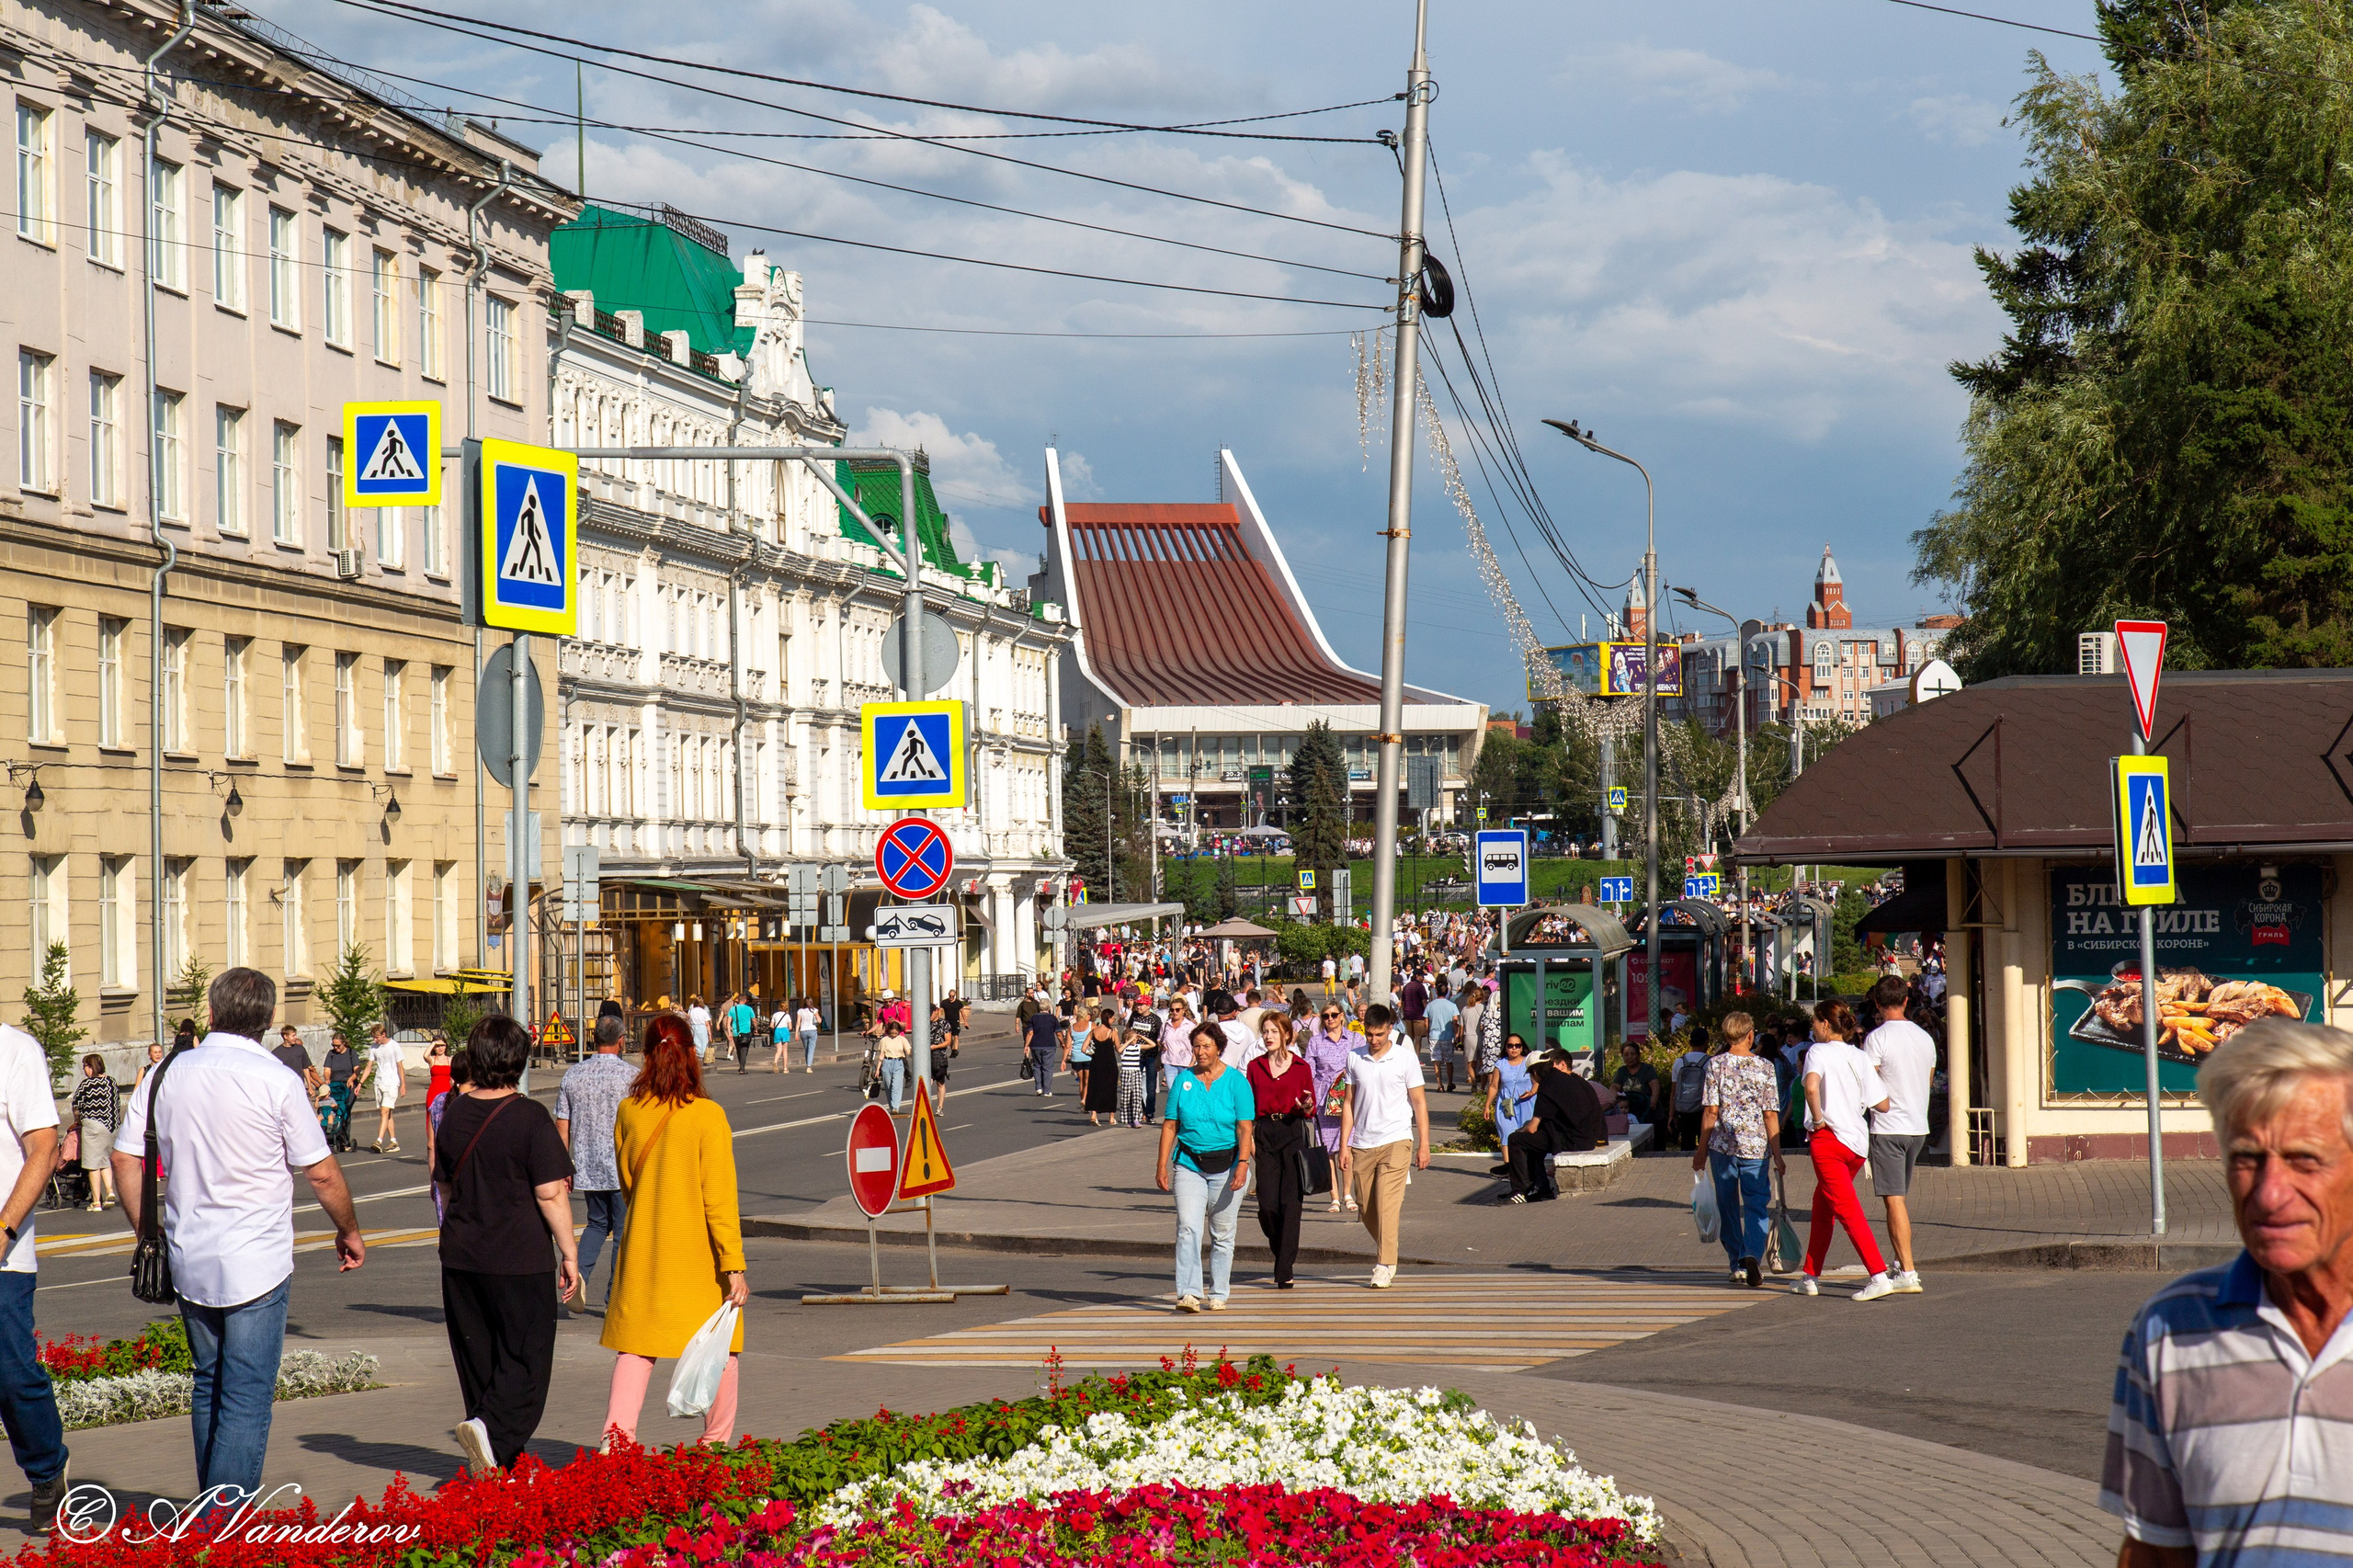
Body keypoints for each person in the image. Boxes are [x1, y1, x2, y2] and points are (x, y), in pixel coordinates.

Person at [2100, 1019, 2353, 1567]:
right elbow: (2156, 1553)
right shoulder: (2170, 1329)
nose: (2269, 1194)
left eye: (2305, 1159)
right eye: (2247, 1158)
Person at [111, 968, 366, 1502]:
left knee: (209, 1382)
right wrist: (348, 1230)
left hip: (188, 1255)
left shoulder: (165, 1074)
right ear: (269, 1019)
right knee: (246, 1395)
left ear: (210, 1013)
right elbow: (321, 1172)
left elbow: (124, 1158)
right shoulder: (276, 1078)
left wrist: (147, 1234)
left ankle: (209, 1512)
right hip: (257, 1260)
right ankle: (220, 1525)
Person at [436, 1017, 578, 1477]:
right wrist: (569, 1253)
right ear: (520, 1060)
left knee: (479, 1360)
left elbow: (445, 1187)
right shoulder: (530, 1116)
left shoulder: (455, 1112)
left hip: (461, 1258)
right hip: (519, 1259)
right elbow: (550, 1193)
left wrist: (461, 1227)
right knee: (526, 1361)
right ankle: (490, 1433)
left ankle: (499, 1467)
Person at [601, 1014, 748, 1448]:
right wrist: (733, 1265)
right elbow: (719, 1199)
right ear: (691, 1055)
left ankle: (615, 1446)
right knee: (721, 1347)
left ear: (646, 1056)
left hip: (644, 1248)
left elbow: (627, 1181)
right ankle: (714, 1449)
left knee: (635, 1347)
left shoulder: (629, 1111)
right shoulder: (707, 1115)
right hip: (698, 1258)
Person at [0, 1018, 69, 1524]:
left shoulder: (15, 1051)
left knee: (11, 1375)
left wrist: (5, 1228)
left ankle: (46, 1470)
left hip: (4, 1252)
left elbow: (43, 1148)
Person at [1796, 999, 1899, 1301]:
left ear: (1825, 1024)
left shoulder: (1818, 1051)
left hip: (1828, 1139)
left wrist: (1818, 1119)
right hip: (1856, 1143)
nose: (1813, 1028)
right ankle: (1810, 1275)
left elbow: (1811, 1087)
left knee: (1846, 1209)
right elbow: (1883, 1104)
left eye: (1815, 1022)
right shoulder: (1860, 1055)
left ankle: (1878, 1275)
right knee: (1823, 1206)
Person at [1154, 1024, 1256, 1312]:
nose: (1200, 1052)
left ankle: (1219, 1292)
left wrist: (1243, 1165)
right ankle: (1189, 1293)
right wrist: (1161, 1165)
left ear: (1219, 1048)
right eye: (1196, 1046)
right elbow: (1170, 1125)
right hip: (1189, 1164)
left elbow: (1245, 1128)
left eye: (1206, 1046)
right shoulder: (1184, 1080)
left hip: (1229, 1165)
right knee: (1188, 1227)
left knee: (1222, 1233)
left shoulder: (1236, 1082)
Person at [1337, 1005, 1430, 1289]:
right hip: (1363, 1143)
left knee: (1387, 1205)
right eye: (1369, 1034)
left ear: (1390, 1029)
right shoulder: (1355, 1057)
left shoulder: (1405, 1058)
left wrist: (1424, 1144)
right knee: (1366, 1207)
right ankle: (1389, 1243)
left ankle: (1383, 1265)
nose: (1374, 1040)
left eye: (1379, 1034)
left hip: (1397, 1140)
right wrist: (1344, 1145)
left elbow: (1419, 1102)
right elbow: (1349, 1103)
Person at [1693, 1012, 1783, 1288]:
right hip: (1756, 1147)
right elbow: (1770, 1114)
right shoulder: (1765, 1067)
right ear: (1750, 1035)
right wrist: (1778, 1154)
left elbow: (1711, 1111)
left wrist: (1701, 1150)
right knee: (1756, 1203)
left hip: (1722, 1146)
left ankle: (1737, 1263)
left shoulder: (1715, 1064)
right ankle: (1752, 1253)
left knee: (1728, 1204)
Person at [557, 1015, 637, 1309]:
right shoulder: (632, 1077)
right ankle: (614, 1295)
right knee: (623, 1231)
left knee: (596, 1224)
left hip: (587, 1166)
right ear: (621, 1041)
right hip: (621, 1167)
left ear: (594, 1040)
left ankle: (579, 1274)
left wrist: (563, 1166)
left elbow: (562, 1125)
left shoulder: (573, 1075)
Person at [1861, 975, 1935, 1294]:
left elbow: (1868, 1083)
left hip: (1888, 1127)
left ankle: (1908, 1271)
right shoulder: (1924, 1038)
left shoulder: (1876, 1039)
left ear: (1877, 1003)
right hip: (1917, 1126)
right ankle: (1899, 1263)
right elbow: (1928, 1080)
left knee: (1894, 1202)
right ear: (1906, 1000)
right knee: (1898, 1199)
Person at [1246, 1012, 1315, 1289]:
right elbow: (1247, 1109)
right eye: (1265, 1031)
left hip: (1292, 1131)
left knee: (1291, 1203)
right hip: (1265, 1133)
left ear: (1287, 1034)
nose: (1268, 1036)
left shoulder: (1301, 1066)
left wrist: (1307, 1106)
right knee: (1267, 1205)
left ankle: (1284, 1267)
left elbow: (1310, 1108)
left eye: (1274, 1031)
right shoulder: (1255, 1067)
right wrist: (1249, 1143)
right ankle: (1282, 1253)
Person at [1502, 1051, 1606, 1204]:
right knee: (1535, 1140)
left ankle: (1520, 1191)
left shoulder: (1546, 1086)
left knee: (1516, 1139)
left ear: (1535, 1072)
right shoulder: (1566, 1078)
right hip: (1586, 1136)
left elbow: (1532, 1127)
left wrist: (1520, 1130)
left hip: (1573, 1140)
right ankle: (1542, 1190)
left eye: (1530, 1074)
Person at [425, 1051, 471, 1225]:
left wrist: (433, 1180)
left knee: (447, 1228)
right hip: (469, 1178)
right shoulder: (475, 1102)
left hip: (442, 1177)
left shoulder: (438, 1101)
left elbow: (431, 1145)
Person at [71, 1055, 119, 1211]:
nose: (84, 1070)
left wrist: (77, 1120)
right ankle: (110, 1190)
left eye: (85, 1066)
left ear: (91, 1066)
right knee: (105, 1160)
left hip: (93, 1125)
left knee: (93, 1164)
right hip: (111, 1127)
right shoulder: (111, 1081)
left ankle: (96, 1202)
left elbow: (76, 1105)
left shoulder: (86, 1084)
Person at [1486, 1034, 1538, 1157]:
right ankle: (1507, 1164)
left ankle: (1526, 1163)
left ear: (1522, 1047)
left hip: (1526, 1103)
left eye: (1517, 1045)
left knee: (1527, 1134)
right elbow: (1494, 1086)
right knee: (1506, 1133)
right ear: (1506, 1048)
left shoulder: (1528, 1062)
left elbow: (1536, 1082)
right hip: (1506, 1105)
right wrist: (1487, 1105)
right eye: (1510, 1046)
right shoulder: (1500, 1064)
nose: (1514, 1048)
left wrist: (1532, 1092)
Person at [361, 1022, 405, 1154]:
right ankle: (393, 1142)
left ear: (384, 1034)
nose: (375, 1040)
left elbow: (400, 1066)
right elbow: (369, 1066)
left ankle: (379, 1141)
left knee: (384, 1112)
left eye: (377, 1037)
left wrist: (403, 1085)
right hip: (379, 1082)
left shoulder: (394, 1046)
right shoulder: (374, 1048)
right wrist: (360, 1083)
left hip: (391, 1083)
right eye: (374, 1037)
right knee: (388, 1113)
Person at [1668, 1030, 1711, 1152]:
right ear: (1707, 1043)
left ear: (1690, 1043)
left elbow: (1674, 1091)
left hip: (1684, 1109)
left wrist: (1671, 1116)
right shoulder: (1711, 1062)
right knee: (1705, 1144)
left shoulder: (1679, 1062)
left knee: (1686, 1145)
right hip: (1703, 1109)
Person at [1610, 1041, 1661, 1137]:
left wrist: (1654, 1097)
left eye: (1633, 1054)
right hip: (1630, 1113)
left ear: (1638, 1054)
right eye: (1626, 1055)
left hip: (1648, 1111)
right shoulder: (1621, 1071)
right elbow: (1614, 1087)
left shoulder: (1647, 1069)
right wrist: (1614, 1097)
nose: (1629, 1057)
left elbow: (1655, 1084)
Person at [1113, 1008, 1151, 1129]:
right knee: (1126, 1097)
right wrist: (1129, 1040)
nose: (1136, 1040)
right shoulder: (1124, 1048)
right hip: (1126, 1073)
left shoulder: (1137, 1047)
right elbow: (1119, 1049)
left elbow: (1152, 1045)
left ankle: (1136, 1118)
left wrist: (1141, 1036)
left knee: (1136, 1096)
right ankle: (1127, 1119)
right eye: (1134, 1038)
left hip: (1136, 1072)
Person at [1084, 1006, 1121, 1125]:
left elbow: (1083, 1048)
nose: (1114, 1020)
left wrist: (1092, 1053)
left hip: (1096, 1064)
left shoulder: (1093, 1032)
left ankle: (1094, 1115)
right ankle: (1111, 1118)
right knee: (1111, 1090)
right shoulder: (1112, 1032)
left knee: (1095, 1089)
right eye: (1113, 1018)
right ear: (1108, 1018)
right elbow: (1119, 1049)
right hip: (1110, 1065)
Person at [321, 1033, 358, 1153]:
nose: (335, 1048)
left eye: (338, 1046)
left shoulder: (351, 1053)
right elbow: (327, 1070)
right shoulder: (331, 1054)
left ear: (344, 1043)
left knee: (345, 1111)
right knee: (332, 1110)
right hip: (335, 1087)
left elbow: (357, 1070)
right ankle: (333, 1136)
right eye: (333, 1045)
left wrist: (351, 1079)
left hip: (348, 1086)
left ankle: (344, 1139)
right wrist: (327, 1079)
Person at [1425, 983, 1461, 1094]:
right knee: (1449, 1061)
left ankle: (1439, 1085)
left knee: (1436, 1061)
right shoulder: (1452, 1005)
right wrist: (1456, 1035)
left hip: (1434, 1036)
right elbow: (1455, 1022)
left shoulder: (1430, 1005)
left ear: (1436, 992)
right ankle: (1450, 1082)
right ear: (1447, 992)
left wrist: (1428, 1034)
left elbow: (1426, 1023)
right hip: (1448, 1036)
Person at [1025, 999, 1065, 1097]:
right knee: (1048, 1068)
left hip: (1036, 1046)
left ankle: (1038, 1088)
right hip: (1049, 1046)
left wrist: (1026, 1045)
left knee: (1037, 1066)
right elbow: (1059, 1033)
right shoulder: (1053, 1018)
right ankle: (1046, 1091)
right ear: (1048, 1007)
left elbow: (1030, 1033)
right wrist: (1062, 1043)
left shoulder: (1033, 1018)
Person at [875, 1016, 911, 1112]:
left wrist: (913, 1052)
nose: (894, 1035)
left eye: (896, 1033)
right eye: (892, 1033)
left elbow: (908, 1051)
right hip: (886, 1063)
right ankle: (892, 1107)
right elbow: (881, 1055)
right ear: (889, 1031)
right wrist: (878, 1070)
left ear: (899, 1032)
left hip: (898, 1063)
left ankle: (896, 1107)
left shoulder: (902, 1039)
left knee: (896, 1086)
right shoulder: (884, 1040)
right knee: (888, 1087)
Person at [725, 993, 756, 1071]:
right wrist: (756, 1028)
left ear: (738, 1000)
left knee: (739, 1050)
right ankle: (742, 1068)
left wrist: (729, 1033)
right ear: (745, 1000)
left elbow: (728, 1022)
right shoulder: (749, 1009)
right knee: (744, 1050)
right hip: (746, 1032)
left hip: (736, 1032)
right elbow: (754, 1020)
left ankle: (741, 1066)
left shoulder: (733, 1009)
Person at [424, 1036, 453, 1106]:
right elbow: (425, 1056)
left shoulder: (450, 1060)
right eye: (437, 1046)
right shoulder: (432, 1059)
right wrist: (434, 1043)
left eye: (442, 1045)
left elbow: (453, 1079)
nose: (440, 1048)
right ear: (434, 1048)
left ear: (446, 1046)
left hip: (447, 1091)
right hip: (434, 1092)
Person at [795, 995, 821, 1074]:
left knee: (806, 1049)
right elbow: (819, 1020)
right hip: (812, 1030)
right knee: (811, 1049)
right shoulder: (814, 1010)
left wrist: (796, 1033)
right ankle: (808, 1067)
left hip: (803, 1031)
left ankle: (808, 1064)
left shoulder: (800, 1011)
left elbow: (798, 1023)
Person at [687, 996, 712, 1063]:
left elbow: (689, 1020)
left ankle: (698, 1056)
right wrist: (710, 1035)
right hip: (702, 1027)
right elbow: (707, 1024)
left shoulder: (691, 1011)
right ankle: (703, 1057)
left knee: (696, 1042)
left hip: (694, 1027)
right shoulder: (703, 1011)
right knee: (703, 1042)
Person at [941, 989, 964, 1059]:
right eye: (950, 996)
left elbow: (962, 1012)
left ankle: (955, 1049)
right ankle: (953, 1051)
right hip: (947, 1022)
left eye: (953, 996)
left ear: (955, 996)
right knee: (950, 1038)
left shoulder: (958, 1003)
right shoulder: (944, 1002)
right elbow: (940, 1010)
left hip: (956, 1021)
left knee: (956, 1036)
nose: (951, 997)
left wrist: (965, 1021)